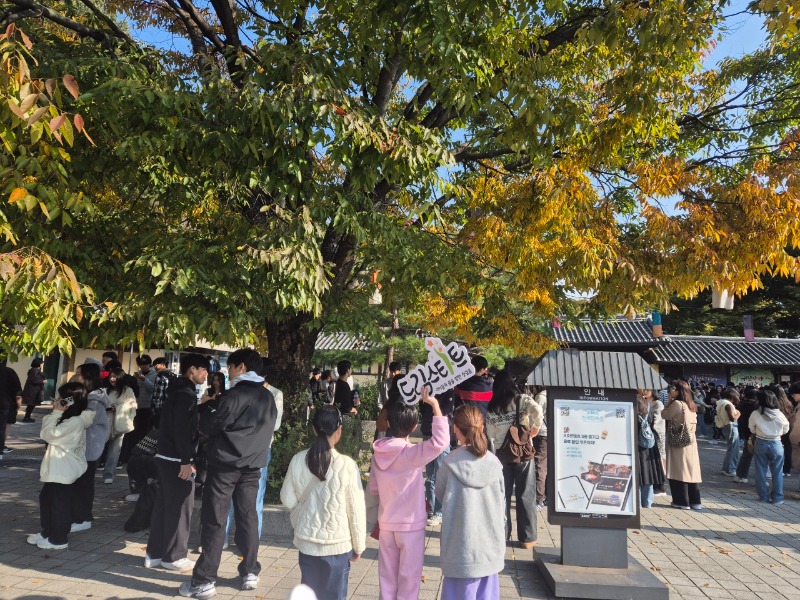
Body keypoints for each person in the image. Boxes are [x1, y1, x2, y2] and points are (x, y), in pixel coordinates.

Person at [181, 349, 278, 599]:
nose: (229, 372)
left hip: (225, 467)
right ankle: (250, 571)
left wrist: (207, 413)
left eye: (231, 367)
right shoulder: (267, 396)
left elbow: (210, 427)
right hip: (253, 466)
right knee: (248, 517)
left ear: (241, 367)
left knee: (215, 519)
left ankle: (204, 581)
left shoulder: (234, 395)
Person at [369, 388, 448, 600]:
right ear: (414, 427)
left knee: (387, 578)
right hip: (411, 526)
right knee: (409, 580)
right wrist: (434, 404)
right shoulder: (411, 453)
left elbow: (374, 488)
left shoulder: (378, 453)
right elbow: (440, 442)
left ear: (388, 423)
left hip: (386, 524)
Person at [281, 406, 365, 600]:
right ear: (339, 431)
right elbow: (356, 510)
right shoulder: (347, 465)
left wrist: (303, 510)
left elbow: (287, 497)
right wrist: (359, 546)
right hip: (338, 546)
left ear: (314, 429)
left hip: (307, 543)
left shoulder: (298, 460)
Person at [145, 353, 209, 574]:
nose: (206, 375)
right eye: (203, 370)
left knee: (163, 507)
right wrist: (186, 461)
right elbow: (182, 431)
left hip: (165, 456)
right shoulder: (185, 394)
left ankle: (154, 554)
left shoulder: (176, 390)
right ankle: (174, 557)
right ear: (192, 369)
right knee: (181, 508)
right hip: (176, 459)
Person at [435, 404, 505, 600]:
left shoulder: (449, 463)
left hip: (459, 552)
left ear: (456, 429)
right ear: (482, 427)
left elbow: (440, 494)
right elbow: (502, 504)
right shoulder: (495, 464)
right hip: (489, 550)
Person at [26, 382, 94, 550]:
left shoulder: (75, 421)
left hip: (63, 470)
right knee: (47, 499)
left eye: (61, 397)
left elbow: (48, 434)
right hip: (57, 468)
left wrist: (56, 412)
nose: (57, 400)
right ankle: (48, 532)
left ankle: (58, 538)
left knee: (59, 504)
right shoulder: (70, 418)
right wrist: (58, 413)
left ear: (70, 400)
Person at [224, 356, 283, 546]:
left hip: (260, 449)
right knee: (228, 496)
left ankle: (249, 544)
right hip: (236, 448)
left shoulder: (274, 394)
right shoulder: (237, 389)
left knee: (254, 498)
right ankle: (222, 539)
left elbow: (275, 424)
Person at [485, 370, 541, 548]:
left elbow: (490, 434)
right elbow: (538, 410)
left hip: (502, 455)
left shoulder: (492, 407)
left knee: (503, 496)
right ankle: (527, 539)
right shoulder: (522, 400)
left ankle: (503, 535)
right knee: (526, 494)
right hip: (523, 453)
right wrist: (536, 427)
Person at [70, 362, 110, 532]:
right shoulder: (87, 395)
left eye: (79, 374)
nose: (76, 376)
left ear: (88, 377)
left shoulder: (94, 399)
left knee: (84, 483)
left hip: (90, 446)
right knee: (80, 482)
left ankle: (83, 518)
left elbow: (87, 422)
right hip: (84, 445)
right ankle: (80, 515)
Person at [662, 380, 703, 510]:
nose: (670, 392)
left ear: (678, 391)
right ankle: (695, 501)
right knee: (691, 471)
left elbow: (664, 415)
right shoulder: (691, 404)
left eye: (672, 389)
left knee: (678, 471)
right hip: (690, 441)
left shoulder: (677, 404)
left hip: (678, 442)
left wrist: (669, 401)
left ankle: (681, 501)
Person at [421, 385, 455, 526]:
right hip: (427, 433)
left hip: (441, 437)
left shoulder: (449, 390)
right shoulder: (427, 389)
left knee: (440, 475)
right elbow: (422, 410)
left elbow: (445, 413)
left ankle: (439, 512)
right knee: (430, 477)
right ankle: (430, 508)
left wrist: (433, 403)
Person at [750, 389, 790, 504]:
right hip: (776, 443)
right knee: (777, 472)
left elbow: (751, 428)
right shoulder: (780, 414)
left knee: (760, 470)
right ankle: (778, 498)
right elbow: (786, 429)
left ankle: (763, 497)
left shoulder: (756, 413)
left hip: (761, 442)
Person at [103, 368, 138, 484]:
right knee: (99, 448)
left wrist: (118, 407)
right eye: (110, 377)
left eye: (114, 377)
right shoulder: (106, 390)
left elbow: (133, 405)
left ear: (120, 377)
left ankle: (109, 474)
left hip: (119, 424)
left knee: (114, 451)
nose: (112, 379)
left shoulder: (127, 390)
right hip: (105, 422)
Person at [637, 394, 666, 508]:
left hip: (637, 444)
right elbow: (651, 421)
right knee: (648, 475)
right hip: (648, 445)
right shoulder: (647, 405)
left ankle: (637, 502)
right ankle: (647, 502)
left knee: (638, 475)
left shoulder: (631, 406)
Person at [642, 388, 667, 495]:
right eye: (644, 389)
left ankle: (660, 486)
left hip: (656, 435)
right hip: (647, 435)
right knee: (651, 460)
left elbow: (657, 420)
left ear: (653, 391)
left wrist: (649, 428)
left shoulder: (657, 403)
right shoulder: (645, 402)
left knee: (658, 459)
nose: (645, 391)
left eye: (647, 390)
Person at [734, 387, 760, 484]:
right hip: (756, 433)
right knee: (760, 458)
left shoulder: (741, 405)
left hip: (745, 432)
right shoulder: (757, 406)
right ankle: (760, 479)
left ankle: (740, 475)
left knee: (746, 455)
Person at [769, 385, 794, 477]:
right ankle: (787, 470)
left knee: (777, 449)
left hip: (776, 429)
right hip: (788, 427)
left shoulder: (773, 404)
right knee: (788, 448)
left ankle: (779, 469)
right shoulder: (788, 403)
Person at [716, 387, 741, 476]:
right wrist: (738, 414)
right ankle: (730, 469)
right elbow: (732, 418)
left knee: (731, 448)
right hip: (731, 426)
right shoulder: (728, 404)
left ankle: (725, 468)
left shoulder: (720, 402)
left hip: (725, 426)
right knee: (734, 449)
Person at [0, 358, 22, 457]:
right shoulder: (9, 372)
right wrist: (18, 404)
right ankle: (1, 447)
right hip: (6, 404)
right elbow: (17, 392)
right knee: (4, 426)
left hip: (6, 404)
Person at [530, 386, 548, 508]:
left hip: (542, 434)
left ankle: (538, 499)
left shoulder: (541, 397)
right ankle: (547, 497)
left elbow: (536, 417)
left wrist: (532, 430)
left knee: (539, 466)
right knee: (548, 466)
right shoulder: (553, 393)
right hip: (552, 434)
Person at [150, 357, 175, 426]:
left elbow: (158, 395)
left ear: (163, 364)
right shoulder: (173, 375)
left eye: (156, 365)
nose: (155, 367)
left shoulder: (160, 376)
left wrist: (154, 410)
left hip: (161, 410)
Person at [21, 357, 45, 422]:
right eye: (41, 363)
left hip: (34, 390)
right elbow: (34, 380)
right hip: (32, 391)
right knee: (31, 404)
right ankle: (27, 417)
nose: (42, 365)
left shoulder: (35, 370)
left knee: (31, 405)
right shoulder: (34, 370)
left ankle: (27, 417)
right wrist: (43, 381)